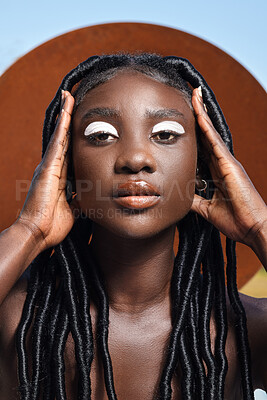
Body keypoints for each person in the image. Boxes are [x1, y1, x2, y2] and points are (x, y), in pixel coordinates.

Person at [0, 53, 266, 400]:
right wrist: (30, 229)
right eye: (101, 135)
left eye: (166, 134)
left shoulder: (247, 327)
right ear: (68, 170)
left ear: (201, 169)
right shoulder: (17, 318)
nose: (135, 159)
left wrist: (258, 226)